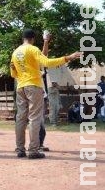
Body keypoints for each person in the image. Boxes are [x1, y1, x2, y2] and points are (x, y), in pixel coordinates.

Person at [10, 29, 82, 159]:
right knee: (34, 118)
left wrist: (46, 42)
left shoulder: (15, 52)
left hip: (20, 87)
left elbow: (13, 73)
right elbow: (47, 62)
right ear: (33, 38)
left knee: (20, 118)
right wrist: (68, 57)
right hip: (34, 86)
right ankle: (33, 150)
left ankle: (20, 149)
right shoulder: (32, 49)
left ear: (23, 38)